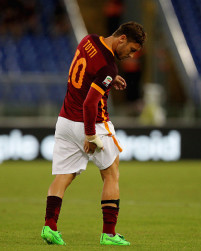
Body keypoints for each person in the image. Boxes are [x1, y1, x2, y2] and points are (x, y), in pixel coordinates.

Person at [40, 21, 146, 246]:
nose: (131, 56)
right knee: (111, 174)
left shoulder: (88, 40)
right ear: (122, 39)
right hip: (91, 123)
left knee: (64, 176)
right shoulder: (108, 67)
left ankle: (49, 227)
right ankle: (109, 233)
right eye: (132, 50)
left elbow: (86, 70)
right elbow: (90, 103)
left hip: (65, 120)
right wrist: (90, 135)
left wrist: (107, 80)